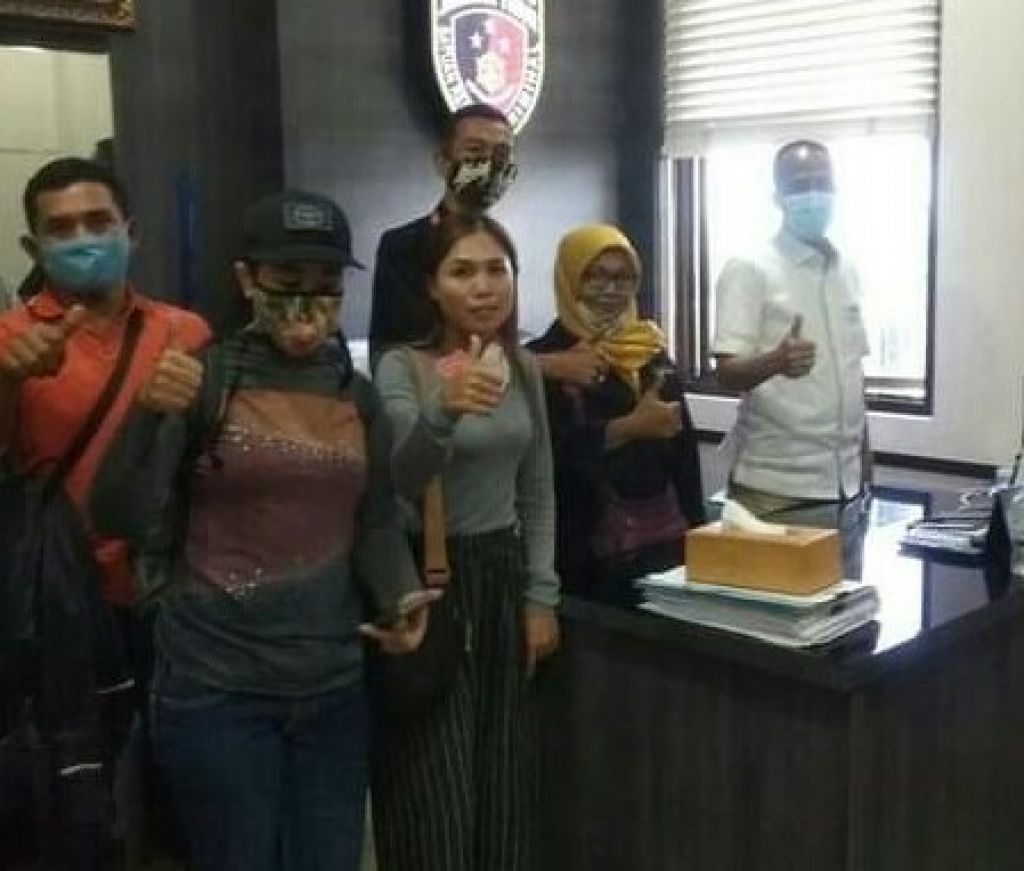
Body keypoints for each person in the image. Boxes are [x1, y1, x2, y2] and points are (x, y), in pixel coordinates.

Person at [90, 190, 435, 871]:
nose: (307, 304)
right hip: (217, 688)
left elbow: (373, 518)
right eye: (287, 282)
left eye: (326, 284)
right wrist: (146, 415)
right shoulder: (203, 380)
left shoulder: (357, 395)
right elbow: (116, 515)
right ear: (247, 280)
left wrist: (399, 593)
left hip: (332, 688)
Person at [0, 157, 210, 869]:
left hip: (168, 602)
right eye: (60, 229)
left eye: (98, 221)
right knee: (77, 805)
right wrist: (7, 379)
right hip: (59, 612)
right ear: (31, 247)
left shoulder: (185, 331)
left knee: (178, 798)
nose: (83, 238)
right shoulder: (11, 339)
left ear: (132, 231)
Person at [372, 213, 559, 871]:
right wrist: (444, 409)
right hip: (432, 578)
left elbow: (537, 488)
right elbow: (401, 477)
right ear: (431, 286)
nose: (483, 287)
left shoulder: (524, 368)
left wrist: (541, 595)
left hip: (503, 572)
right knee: (437, 783)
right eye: (462, 271)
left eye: (496, 270)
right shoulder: (402, 366)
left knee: (504, 776)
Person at [368, 104, 606, 389]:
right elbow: (394, 357)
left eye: (502, 155)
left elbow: (502, 340)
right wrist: (544, 365)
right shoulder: (403, 246)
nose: (490, 164)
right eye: (475, 151)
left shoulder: (501, 243)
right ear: (443, 162)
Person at [529, 224, 705, 604]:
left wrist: (698, 536)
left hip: (664, 547)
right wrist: (626, 429)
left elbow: (685, 455)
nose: (610, 290)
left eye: (623, 278)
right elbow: (545, 459)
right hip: (580, 552)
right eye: (595, 276)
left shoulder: (649, 350)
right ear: (569, 280)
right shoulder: (545, 361)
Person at [712, 140, 871, 518]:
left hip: (846, 487)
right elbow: (726, 373)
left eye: (822, 183)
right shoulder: (749, 267)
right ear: (778, 197)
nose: (813, 195)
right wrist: (777, 361)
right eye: (800, 185)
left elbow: (854, 377)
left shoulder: (846, 270)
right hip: (774, 489)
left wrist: (866, 470)